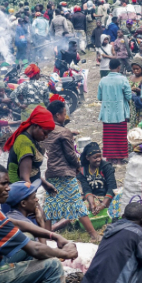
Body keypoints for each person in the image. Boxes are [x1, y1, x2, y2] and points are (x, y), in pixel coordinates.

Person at [42, 100, 101, 240]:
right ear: (57, 115)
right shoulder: (64, 132)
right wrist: (78, 166)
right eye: (64, 114)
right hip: (64, 173)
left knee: (50, 205)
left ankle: (45, 236)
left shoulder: (45, 130)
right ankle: (94, 235)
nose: (65, 116)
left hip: (50, 173)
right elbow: (70, 155)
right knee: (77, 203)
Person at [97, 58, 133, 162]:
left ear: (109, 67)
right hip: (120, 113)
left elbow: (99, 97)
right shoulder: (123, 79)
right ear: (119, 67)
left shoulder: (103, 80)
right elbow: (129, 96)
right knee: (120, 136)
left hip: (107, 114)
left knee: (109, 137)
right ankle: (121, 157)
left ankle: (110, 157)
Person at [76, 142, 120, 224]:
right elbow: (86, 189)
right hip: (92, 198)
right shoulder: (83, 171)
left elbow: (112, 187)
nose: (98, 159)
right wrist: (92, 204)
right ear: (87, 158)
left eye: (100, 156)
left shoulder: (106, 167)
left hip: (107, 198)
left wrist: (102, 205)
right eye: (95, 157)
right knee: (77, 207)